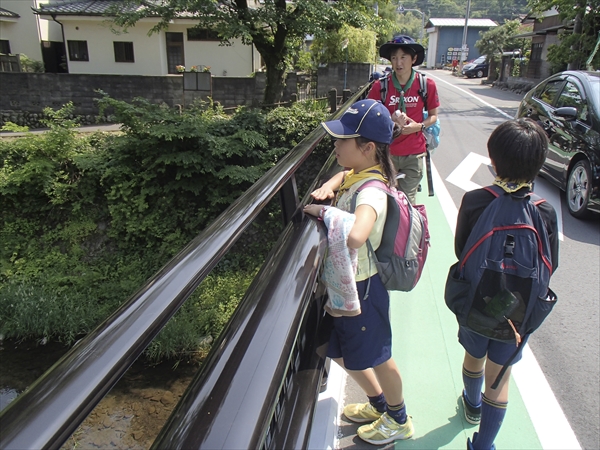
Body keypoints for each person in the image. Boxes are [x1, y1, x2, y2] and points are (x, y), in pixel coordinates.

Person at [303, 99, 413, 445]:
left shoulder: (373, 190)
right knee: (339, 350)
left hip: (365, 290)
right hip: (347, 285)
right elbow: (346, 174)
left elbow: (356, 234)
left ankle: (399, 418)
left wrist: (323, 213)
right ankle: (379, 404)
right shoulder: (359, 173)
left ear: (367, 148)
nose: (335, 145)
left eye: (342, 140)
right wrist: (332, 183)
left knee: (379, 357)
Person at [453, 119, 559, 450]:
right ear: (539, 166)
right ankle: (484, 445)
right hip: (519, 310)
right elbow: (551, 264)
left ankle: (471, 405)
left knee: (474, 356)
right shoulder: (545, 211)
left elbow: (461, 251)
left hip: (476, 302)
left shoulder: (475, 200)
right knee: (500, 376)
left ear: (493, 160)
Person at [367, 35, 440, 205]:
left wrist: (418, 126)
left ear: (413, 59)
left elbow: (433, 116)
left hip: (414, 153)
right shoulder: (380, 86)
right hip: (386, 152)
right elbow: (370, 115)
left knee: (408, 202)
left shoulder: (426, 84)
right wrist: (389, 122)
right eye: (394, 58)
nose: (398, 63)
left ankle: (411, 231)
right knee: (385, 199)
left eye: (403, 57)